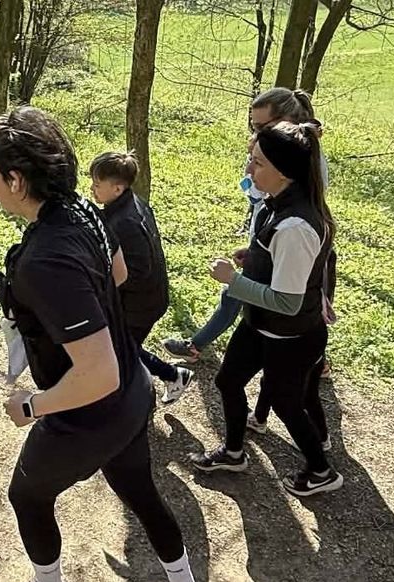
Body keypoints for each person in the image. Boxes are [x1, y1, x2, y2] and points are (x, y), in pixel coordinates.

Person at [0, 107, 218, 582]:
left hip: (89, 411)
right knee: (139, 488)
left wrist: (31, 405)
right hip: (134, 393)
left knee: (26, 494)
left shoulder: (46, 261)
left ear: (17, 181)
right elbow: (118, 270)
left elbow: (97, 374)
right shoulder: (86, 211)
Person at [191, 121, 341, 498]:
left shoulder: (295, 227)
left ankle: (322, 471)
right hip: (261, 325)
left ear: (284, 171)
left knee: (288, 405)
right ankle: (234, 452)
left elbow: (288, 301)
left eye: (257, 162)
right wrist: (255, 257)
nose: (248, 170)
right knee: (227, 381)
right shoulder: (279, 207)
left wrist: (233, 281)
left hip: (291, 336)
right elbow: (283, 266)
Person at [163, 88, 331, 366]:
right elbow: (258, 195)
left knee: (249, 298)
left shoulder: (298, 207)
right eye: (253, 127)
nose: (255, 135)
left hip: (286, 251)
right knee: (237, 301)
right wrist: (258, 247)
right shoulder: (269, 155)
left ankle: (312, 360)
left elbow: (289, 301)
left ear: (287, 119)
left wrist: (243, 269)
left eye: (262, 126)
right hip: (268, 242)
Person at [89, 151, 193, 404]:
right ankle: (167, 377)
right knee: (122, 347)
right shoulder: (128, 204)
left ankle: (162, 382)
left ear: (117, 188)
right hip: (144, 299)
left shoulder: (126, 222)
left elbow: (136, 271)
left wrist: (103, 288)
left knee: (121, 350)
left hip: (141, 304)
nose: (91, 188)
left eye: (97, 184)